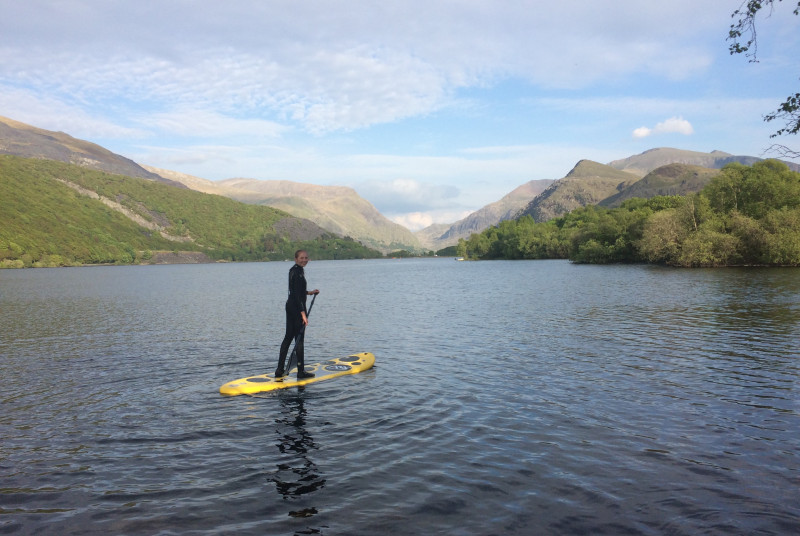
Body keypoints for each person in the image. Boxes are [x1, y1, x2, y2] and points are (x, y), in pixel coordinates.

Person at [275, 250, 320, 379]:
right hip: (296, 308)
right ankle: (300, 372)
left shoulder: (294, 270)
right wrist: (303, 313)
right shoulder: (297, 272)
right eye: (302, 258)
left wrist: (309, 293)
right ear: (296, 259)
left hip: (290, 306)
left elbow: (297, 290)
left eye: (306, 258)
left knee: (288, 337)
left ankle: (279, 369)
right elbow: (296, 294)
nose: (304, 260)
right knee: (299, 340)